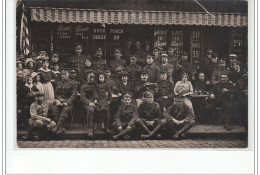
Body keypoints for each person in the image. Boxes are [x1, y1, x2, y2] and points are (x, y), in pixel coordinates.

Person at [80, 71, 97, 138]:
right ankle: (89, 128)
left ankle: (104, 126)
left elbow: (98, 93)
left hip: (97, 102)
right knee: (90, 110)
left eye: (93, 77)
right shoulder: (84, 86)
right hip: (88, 103)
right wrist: (89, 103)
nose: (92, 79)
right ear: (87, 78)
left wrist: (96, 99)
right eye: (90, 77)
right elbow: (82, 98)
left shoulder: (96, 85)